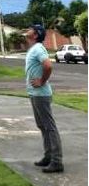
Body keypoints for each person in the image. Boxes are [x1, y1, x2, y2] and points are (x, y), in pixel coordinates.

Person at [25, 25, 64, 173]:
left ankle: (57, 161)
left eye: (30, 29)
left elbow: (48, 66)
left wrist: (41, 81)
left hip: (41, 94)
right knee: (42, 126)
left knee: (49, 127)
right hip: (35, 94)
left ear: (36, 35)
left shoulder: (38, 48)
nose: (27, 30)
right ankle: (48, 156)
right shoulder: (34, 48)